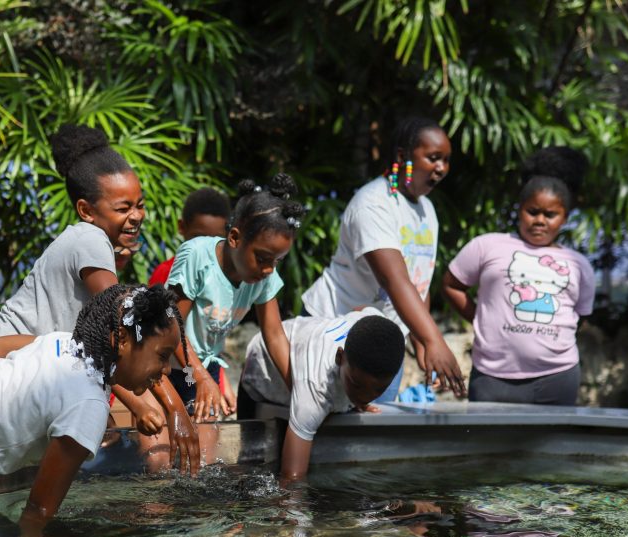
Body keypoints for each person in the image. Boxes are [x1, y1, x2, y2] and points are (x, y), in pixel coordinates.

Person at [0, 123, 199, 468]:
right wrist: (174, 409)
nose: (136, 216)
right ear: (86, 210)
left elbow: (96, 349)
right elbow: (124, 326)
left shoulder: (91, 245)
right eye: (123, 208)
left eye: (139, 205)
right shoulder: (90, 240)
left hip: (7, 362)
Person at [0, 285, 194, 537]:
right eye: (163, 356)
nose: (166, 369)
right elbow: (37, 513)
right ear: (122, 339)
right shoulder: (89, 406)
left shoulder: (63, 343)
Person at [301, 116, 465, 401]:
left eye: (446, 160)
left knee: (372, 434)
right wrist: (433, 339)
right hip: (336, 335)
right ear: (403, 156)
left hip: (383, 343)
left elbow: (419, 282)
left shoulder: (427, 210)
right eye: (433, 157)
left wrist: (421, 342)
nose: (441, 168)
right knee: (323, 429)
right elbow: (395, 279)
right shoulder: (374, 203)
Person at [443, 147, 595, 405]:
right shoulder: (487, 246)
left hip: (558, 378)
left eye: (550, 215)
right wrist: (480, 318)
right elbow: (451, 285)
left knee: (554, 446)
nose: (540, 221)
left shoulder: (579, 265)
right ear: (519, 209)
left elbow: (579, 317)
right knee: (488, 445)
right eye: (532, 211)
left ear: (565, 218)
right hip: (492, 377)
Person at [167, 174, 303, 419]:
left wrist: (302, 391)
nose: (269, 269)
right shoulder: (198, 256)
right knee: (167, 445)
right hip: (170, 366)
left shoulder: (264, 275)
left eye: (277, 261)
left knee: (205, 445)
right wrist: (200, 377)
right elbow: (170, 325)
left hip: (206, 368)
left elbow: (274, 335)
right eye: (262, 258)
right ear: (234, 238)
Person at [238, 311, 404, 481]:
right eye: (357, 385)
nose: (366, 396)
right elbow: (292, 478)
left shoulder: (375, 327)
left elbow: (363, 308)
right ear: (340, 357)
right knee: (248, 468)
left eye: (378, 389)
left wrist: (356, 398)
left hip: (306, 346)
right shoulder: (315, 389)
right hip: (261, 370)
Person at [148, 187, 234, 406]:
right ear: (181, 227)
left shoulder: (224, 277)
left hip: (203, 368)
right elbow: (158, 328)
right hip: (170, 370)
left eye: (215, 238)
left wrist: (221, 382)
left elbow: (210, 335)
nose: (205, 245)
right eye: (199, 236)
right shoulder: (167, 274)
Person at [148, 187, 231, 286]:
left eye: (216, 241)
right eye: (199, 238)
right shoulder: (165, 273)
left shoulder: (234, 278)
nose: (208, 249)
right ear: (182, 227)